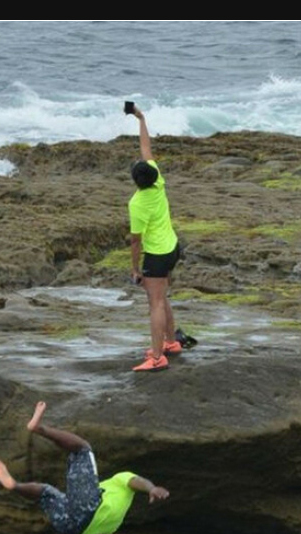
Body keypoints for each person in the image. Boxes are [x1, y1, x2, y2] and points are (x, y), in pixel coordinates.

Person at [0, 401, 169, 534]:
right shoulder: (110, 528)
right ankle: (14, 485)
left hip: (85, 510)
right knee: (46, 493)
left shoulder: (121, 479)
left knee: (82, 449)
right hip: (71, 528)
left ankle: (36, 433)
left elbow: (137, 481)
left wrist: (152, 488)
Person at [126, 103, 189, 373]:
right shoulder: (158, 180)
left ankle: (157, 357)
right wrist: (141, 118)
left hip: (157, 254)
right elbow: (146, 148)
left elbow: (135, 241)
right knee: (162, 297)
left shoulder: (137, 204)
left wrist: (135, 268)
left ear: (136, 180)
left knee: (154, 304)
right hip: (173, 247)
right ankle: (171, 342)